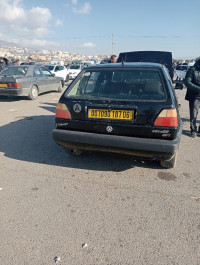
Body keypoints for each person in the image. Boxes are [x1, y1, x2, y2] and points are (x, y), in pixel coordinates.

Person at [185, 57, 200, 138]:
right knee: (193, 114)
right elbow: (187, 82)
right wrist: (198, 89)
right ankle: (193, 129)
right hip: (195, 96)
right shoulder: (192, 69)